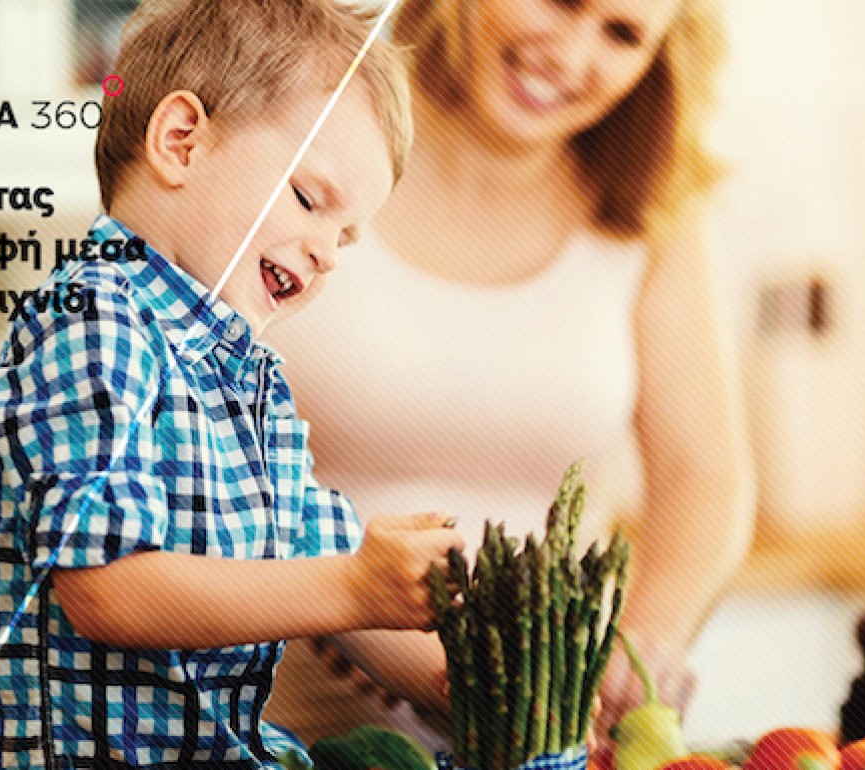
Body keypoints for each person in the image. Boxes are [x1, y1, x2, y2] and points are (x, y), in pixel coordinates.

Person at [0, 1, 463, 767]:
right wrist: (355, 585)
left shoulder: (247, 378)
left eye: (347, 237)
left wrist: (479, 678)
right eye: (311, 200)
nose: (329, 253)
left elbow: (329, 578)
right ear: (181, 142)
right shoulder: (92, 320)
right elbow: (107, 589)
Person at [262, 0, 756, 750]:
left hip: (554, 737)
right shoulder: (296, 142)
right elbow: (217, 468)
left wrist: (649, 637)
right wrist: (441, 675)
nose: (573, 54)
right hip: (293, 732)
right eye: (562, 3)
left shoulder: (650, 211)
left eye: (622, 34)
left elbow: (704, 474)